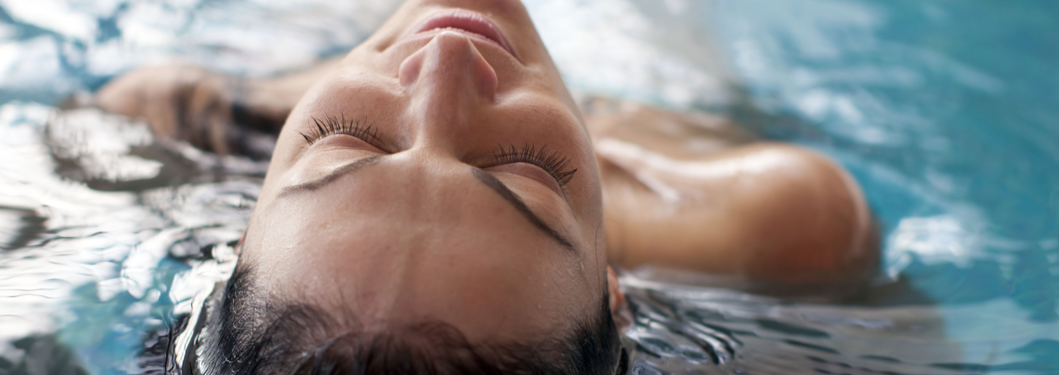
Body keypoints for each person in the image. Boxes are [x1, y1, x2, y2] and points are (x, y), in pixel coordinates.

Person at [94, 0, 878, 373]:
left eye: (347, 142)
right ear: (614, 296)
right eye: (525, 172)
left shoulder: (170, 125)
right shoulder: (779, 224)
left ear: (237, 240)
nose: (442, 65)